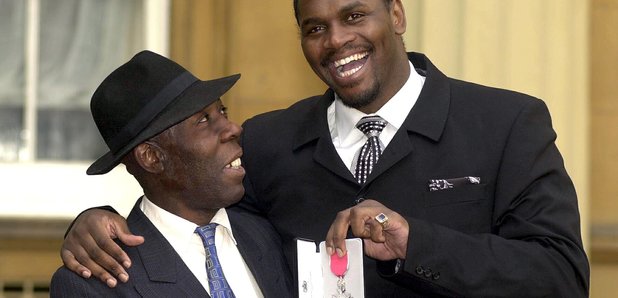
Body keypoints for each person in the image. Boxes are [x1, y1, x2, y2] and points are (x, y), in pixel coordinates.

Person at [60, 0, 590, 296]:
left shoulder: (507, 123)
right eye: (315, 27)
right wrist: (97, 216)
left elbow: (562, 278)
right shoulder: (266, 143)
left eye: (355, 15)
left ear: (397, 16)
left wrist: (416, 244)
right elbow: (188, 213)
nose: (335, 41)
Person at [50, 50, 293, 297]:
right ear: (151, 157)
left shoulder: (268, 235)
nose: (233, 128)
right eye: (203, 120)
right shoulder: (95, 286)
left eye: (223, 112)